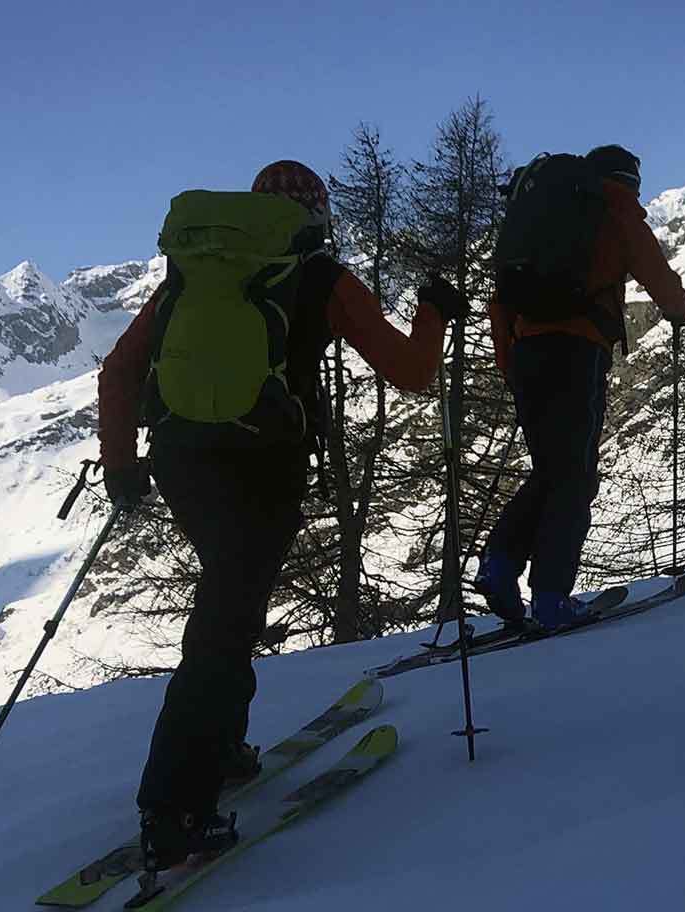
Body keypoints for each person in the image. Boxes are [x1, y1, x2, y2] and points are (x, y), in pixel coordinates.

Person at [96, 160, 465, 870]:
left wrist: (120, 463)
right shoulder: (321, 276)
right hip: (264, 467)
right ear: (318, 216)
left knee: (231, 601)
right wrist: (434, 315)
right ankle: (173, 808)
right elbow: (414, 374)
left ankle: (222, 750)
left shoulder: (193, 276)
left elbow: (119, 371)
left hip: (181, 462)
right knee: (223, 624)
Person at [476, 145, 685, 631]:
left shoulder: (542, 216)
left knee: (553, 469)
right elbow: (655, 273)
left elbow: (502, 298)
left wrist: (509, 359)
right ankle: (551, 595)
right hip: (578, 353)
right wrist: (681, 312)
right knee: (574, 476)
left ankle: (500, 563)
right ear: (628, 181)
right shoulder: (615, 208)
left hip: (527, 352)